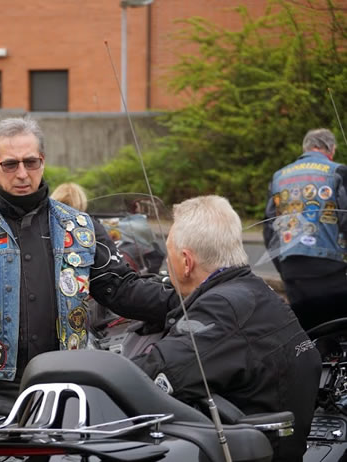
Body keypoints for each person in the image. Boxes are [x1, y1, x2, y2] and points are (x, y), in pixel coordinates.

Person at [0, 117, 176, 423]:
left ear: (42, 162)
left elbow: (121, 289)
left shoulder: (80, 228)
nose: (22, 173)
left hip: (68, 388)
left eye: (31, 162)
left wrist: (188, 298)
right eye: (10, 164)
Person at [133, 195, 321, 461]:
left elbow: (153, 375)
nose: (167, 261)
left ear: (186, 262)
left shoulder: (221, 310)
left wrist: (99, 375)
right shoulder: (253, 291)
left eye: (169, 253)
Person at [263, 128, 347, 331]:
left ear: (305, 148)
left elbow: (269, 229)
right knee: (339, 331)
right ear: (331, 149)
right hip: (333, 269)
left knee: (309, 333)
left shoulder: (278, 177)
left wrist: (284, 268)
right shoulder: (338, 172)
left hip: (293, 270)